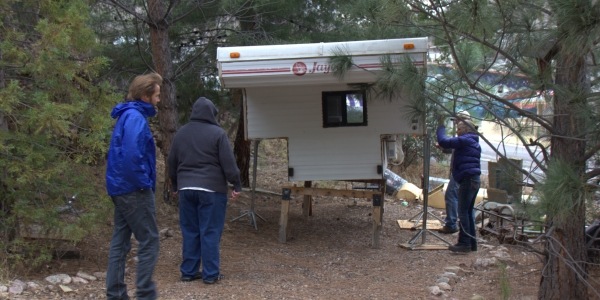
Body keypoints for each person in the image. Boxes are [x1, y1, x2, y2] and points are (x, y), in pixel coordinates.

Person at [167, 97, 242, 284]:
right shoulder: (217, 134)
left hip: (186, 189)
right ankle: (210, 274)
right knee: (210, 231)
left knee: (190, 231)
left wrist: (176, 185)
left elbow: (172, 162)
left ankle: (188, 272)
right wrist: (236, 184)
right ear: (211, 114)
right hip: (212, 190)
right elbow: (229, 164)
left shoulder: (181, 133)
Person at [105, 73, 162, 300]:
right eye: (157, 95)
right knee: (150, 239)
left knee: (120, 240)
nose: (159, 100)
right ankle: (145, 293)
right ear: (146, 96)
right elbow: (131, 155)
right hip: (133, 189)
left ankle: (116, 294)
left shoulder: (127, 116)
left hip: (120, 187)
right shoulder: (136, 118)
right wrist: (144, 184)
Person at [436, 119, 481, 252]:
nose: (457, 131)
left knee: (463, 212)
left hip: (467, 179)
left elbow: (444, 141)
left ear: (467, 130)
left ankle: (464, 243)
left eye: (459, 129)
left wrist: (441, 127)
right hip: (474, 179)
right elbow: (452, 148)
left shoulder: (466, 139)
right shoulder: (472, 141)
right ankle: (472, 243)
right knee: (467, 212)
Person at [438, 110, 471, 235]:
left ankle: (452, 224)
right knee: (457, 197)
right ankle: (460, 227)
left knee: (451, 194)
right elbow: (454, 150)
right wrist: (444, 148)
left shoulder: (465, 136)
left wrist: (440, 126)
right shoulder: (467, 135)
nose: (456, 125)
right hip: (461, 171)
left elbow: (445, 142)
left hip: (461, 172)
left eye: (457, 121)